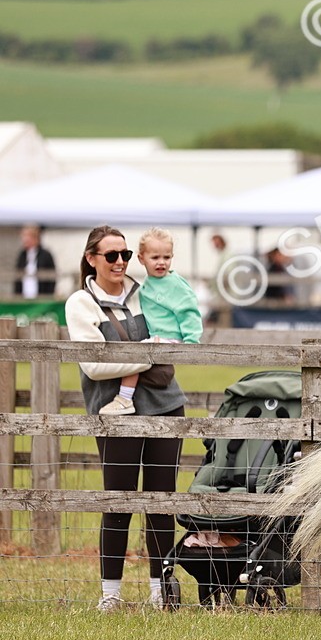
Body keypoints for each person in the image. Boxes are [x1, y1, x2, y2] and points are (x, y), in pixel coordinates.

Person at [65, 225, 187, 611]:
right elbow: (94, 365)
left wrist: (143, 353)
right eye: (111, 255)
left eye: (125, 255)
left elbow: (177, 336)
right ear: (91, 259)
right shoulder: (80, 304)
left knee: (161, 501)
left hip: (166, 406)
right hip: (114, 413)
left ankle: (159, 591)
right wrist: (150, 351)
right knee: (117, 502)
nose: (120, 262)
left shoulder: (146, 293)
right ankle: (110, 594)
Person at [98, 228, 202, 415]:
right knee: (140, 358)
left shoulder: (175, 284)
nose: (162, 263)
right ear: (141, 259)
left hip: (170, 339)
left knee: (136, 354)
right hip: (156, 337)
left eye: (166, 257)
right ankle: (132, 397)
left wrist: (191, 341)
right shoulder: (146, 284)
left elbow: (189, 311)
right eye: (155, 258)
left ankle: (124, 398)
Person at [14, 223, 56, 298]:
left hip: (41, 296)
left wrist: (48, 295)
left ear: (35, 237)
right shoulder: (22, 255)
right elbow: (17, 277)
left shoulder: (46, 255)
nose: (24, 239)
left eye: (27, 236)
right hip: (24, 296)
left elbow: (52, 277)